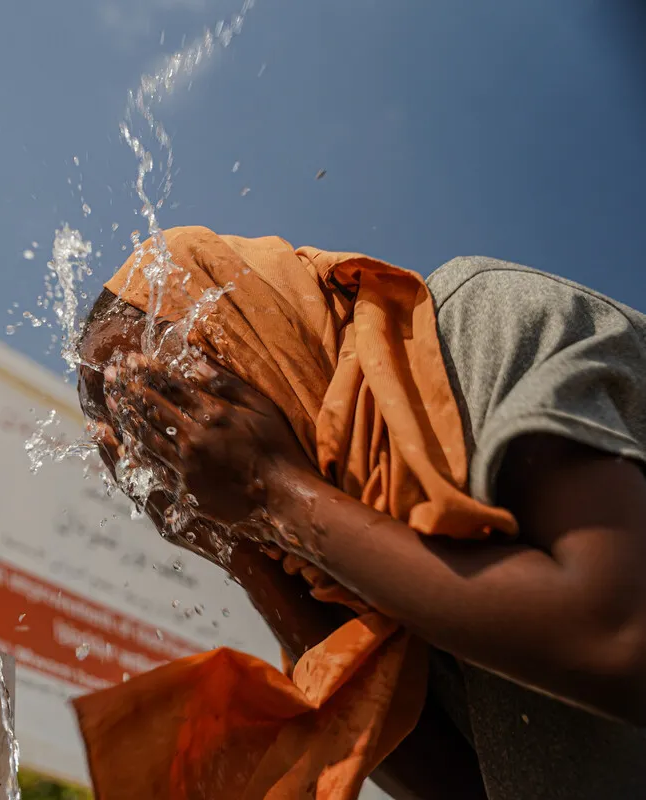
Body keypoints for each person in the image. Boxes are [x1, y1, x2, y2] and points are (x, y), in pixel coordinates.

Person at [72, 226, 646, 800]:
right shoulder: (325, 562)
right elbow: (462, 786)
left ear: (253, 325)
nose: (180, 447)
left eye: (167, 394)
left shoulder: (467, 319)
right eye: (142, 440)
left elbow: (619, 638)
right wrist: (241, 547)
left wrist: (270, 489)